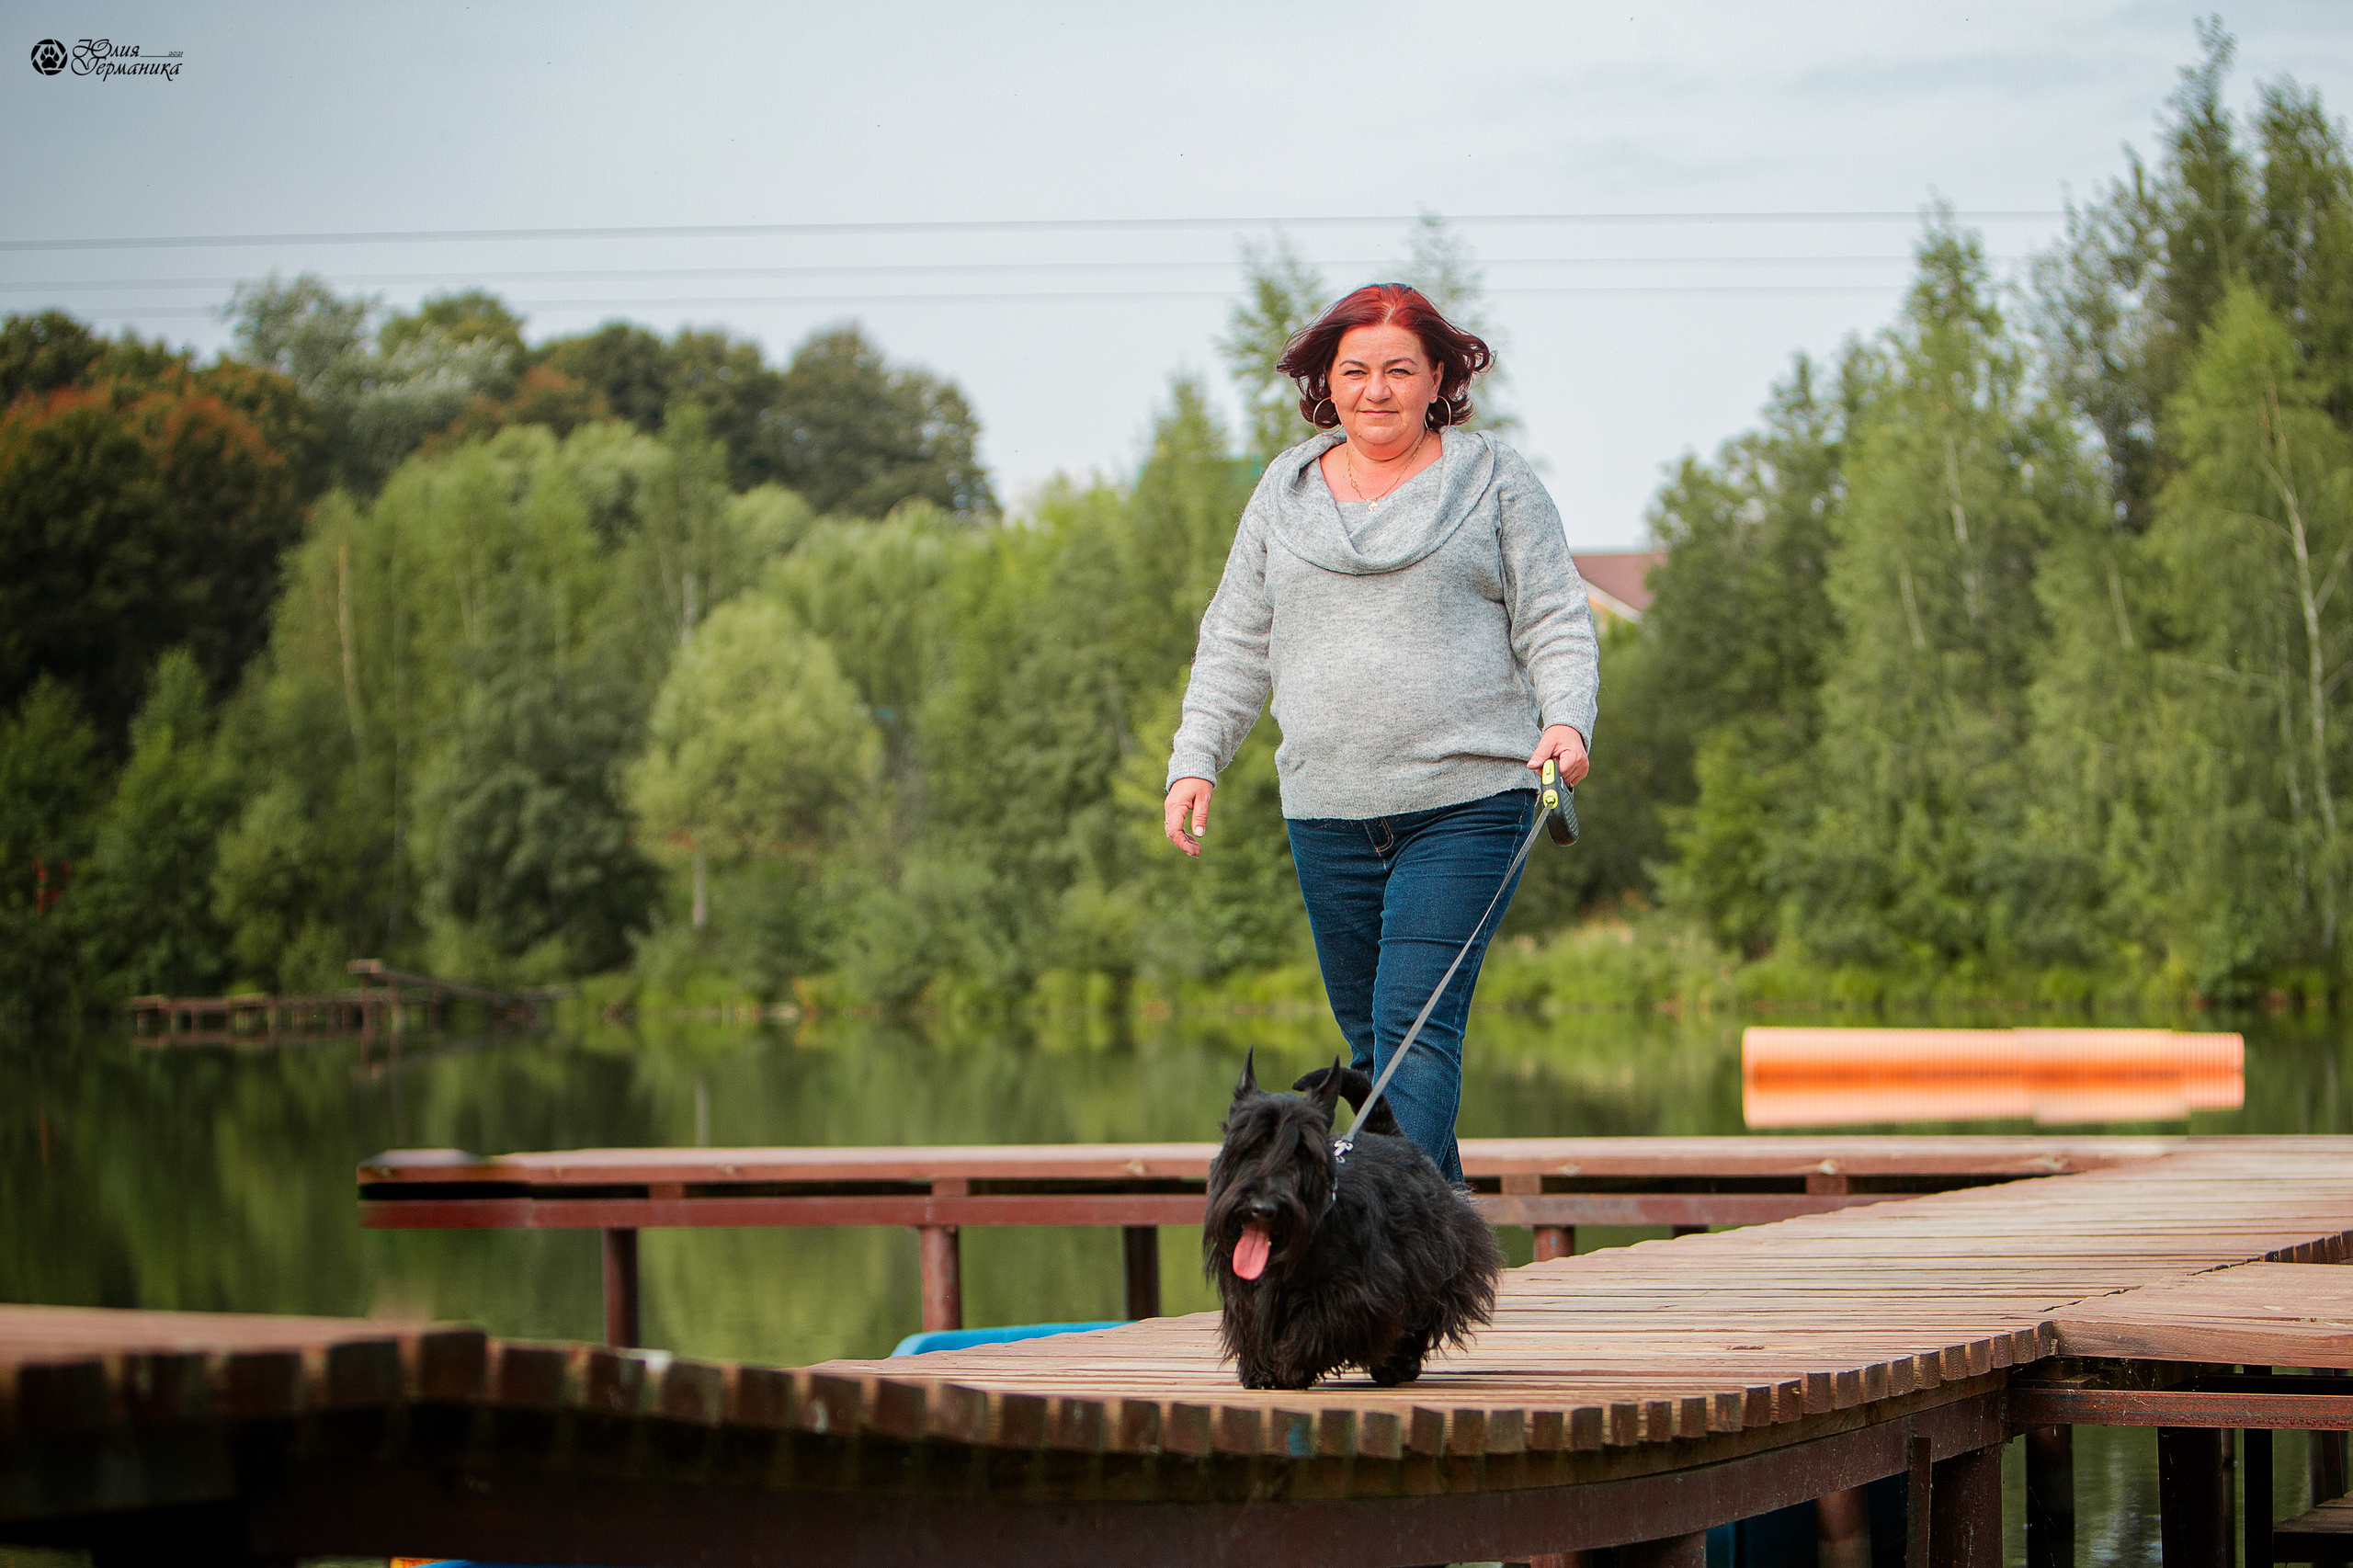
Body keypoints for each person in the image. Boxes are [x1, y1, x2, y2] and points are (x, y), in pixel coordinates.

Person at [1162, 282, 1598, 1186]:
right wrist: (1195, 758)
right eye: (1354, 369)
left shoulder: (1493, 481)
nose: (1376, 388)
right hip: (1327, 808)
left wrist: (1564, 717)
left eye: (1399, 369)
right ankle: (1442, 1245)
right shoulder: (1281, 497)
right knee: (1372, 1042)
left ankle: (1374, 1236)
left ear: (1437, 375)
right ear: (1325, 381)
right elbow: (1237, 642)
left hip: (1467, 800)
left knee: (1412, 1029)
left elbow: (1554, 614)